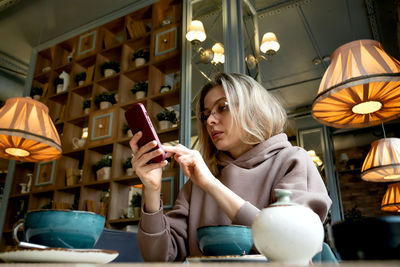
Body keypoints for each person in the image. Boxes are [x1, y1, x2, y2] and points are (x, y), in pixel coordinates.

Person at [129, 72, 332, 262]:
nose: (210, 120)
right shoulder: (198, 181)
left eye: (223, 107)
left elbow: (291, 244)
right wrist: (152, 190)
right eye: (205, 114)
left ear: (253, 108)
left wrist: (211, 185)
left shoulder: (292, 160)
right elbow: (158, 257)